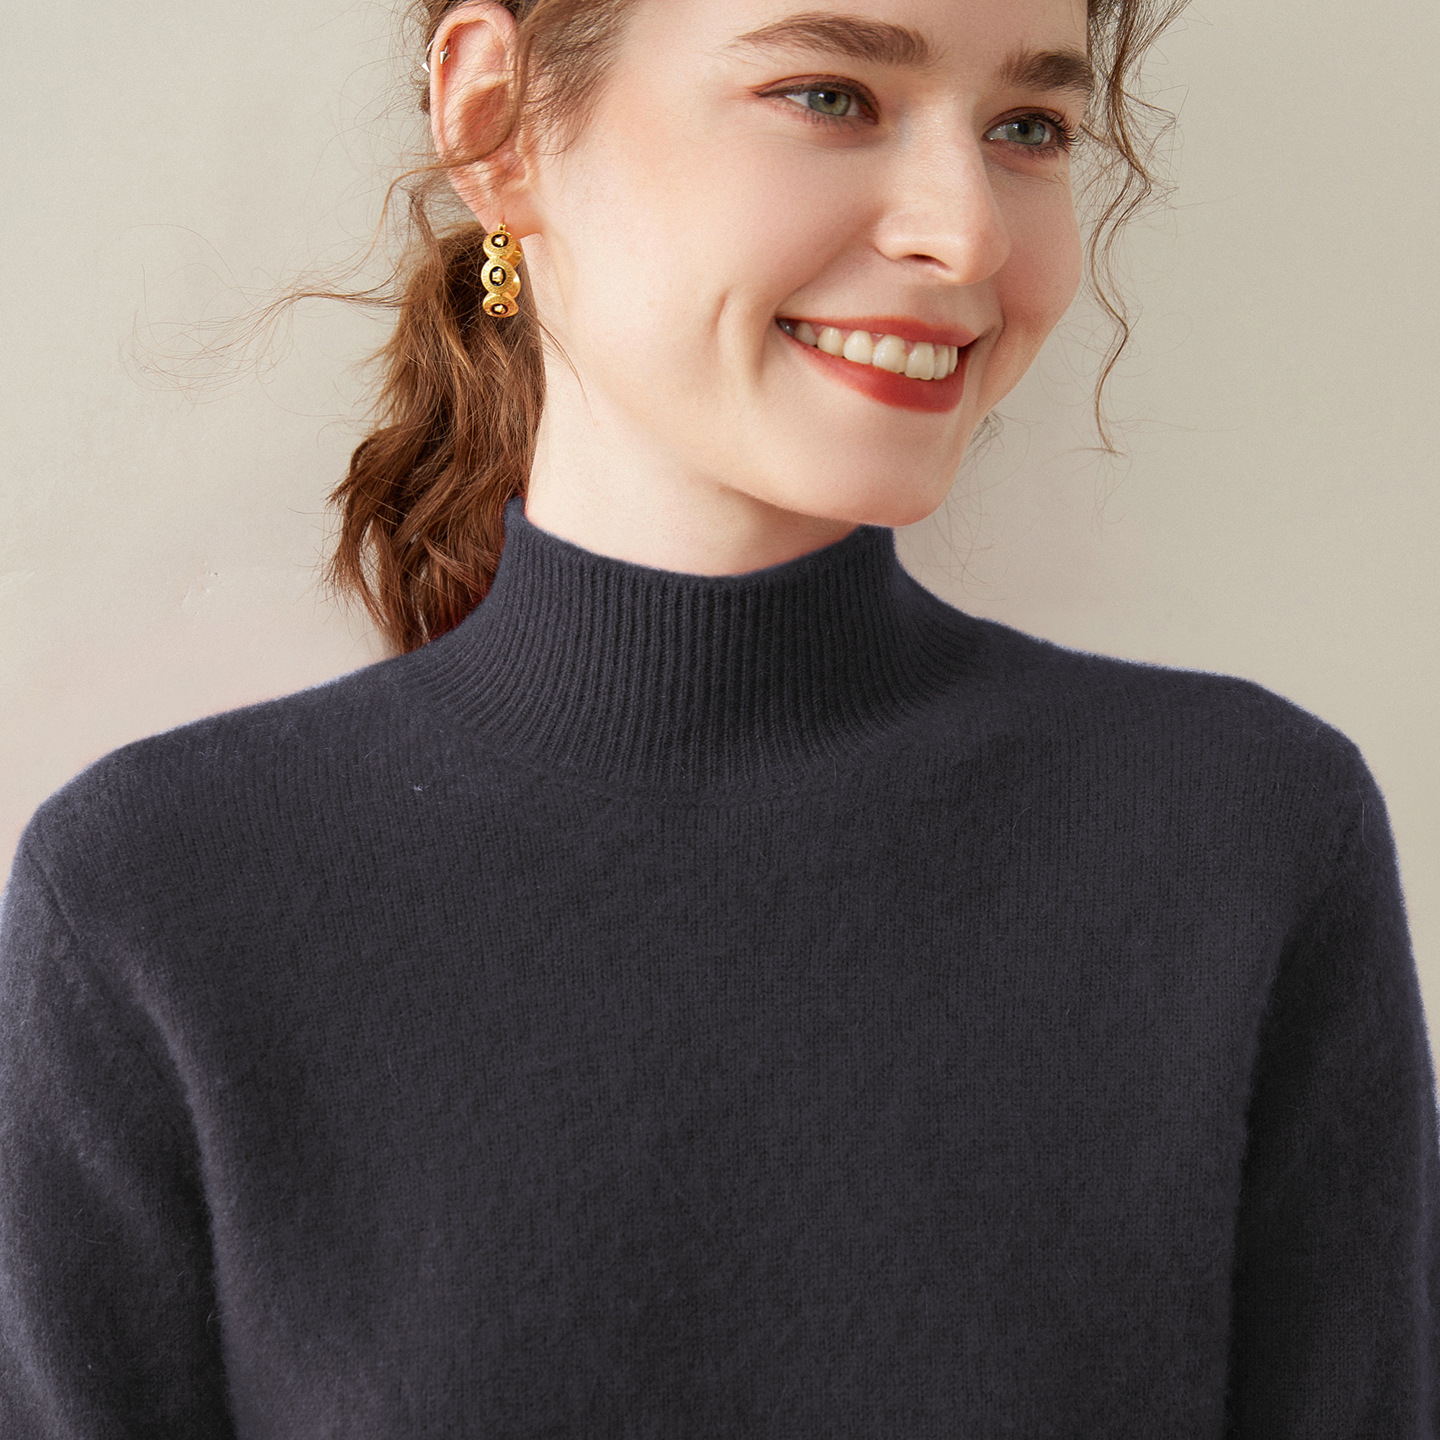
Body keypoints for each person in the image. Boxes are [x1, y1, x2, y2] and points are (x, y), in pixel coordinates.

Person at [1, 0, 1435, 1433]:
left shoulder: (1243, 839)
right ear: (495, 119)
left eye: (1029, 127)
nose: (967, 235)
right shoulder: (157, 895)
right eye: (828, 95)